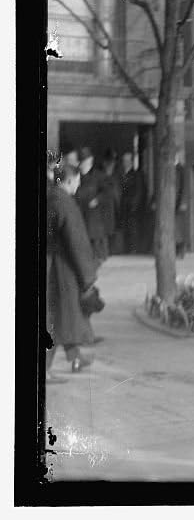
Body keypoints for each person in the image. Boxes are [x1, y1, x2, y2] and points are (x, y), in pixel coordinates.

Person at [46, 159, 99, 376]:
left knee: (65, 314)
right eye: (77, 181)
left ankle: (75, 357)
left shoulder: (50, 197)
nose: (78, 185)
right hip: (63, 267)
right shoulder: (65, 203)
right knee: (57, 316)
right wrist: (87, 276)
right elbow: (77, 242)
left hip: (53, 264)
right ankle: (44, 368)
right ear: (68, 181)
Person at [118, 151, 148, 255]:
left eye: (127, 160)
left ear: (131, 162)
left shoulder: (136, 175)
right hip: (124, 208)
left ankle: (133, 250)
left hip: (133, 209)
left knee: (133, 230)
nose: (125, 162)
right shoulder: (121, 175)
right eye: (124, 160)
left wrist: (133, 206)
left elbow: (139, 192)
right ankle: (127, 249)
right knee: (125, 229)